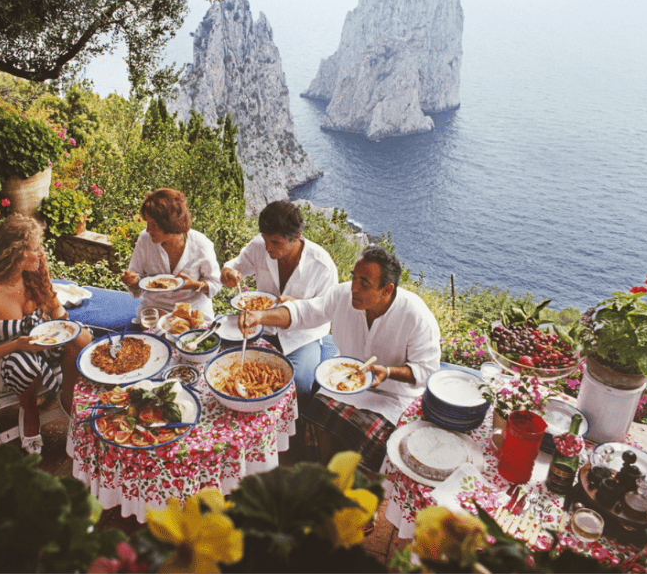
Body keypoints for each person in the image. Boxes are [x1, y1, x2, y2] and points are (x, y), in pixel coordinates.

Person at [238, 244, 440, 473]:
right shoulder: (342, 295)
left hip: (394, 397)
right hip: (346, 382)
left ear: (387, 290)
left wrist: (389, 372)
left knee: (378, 440)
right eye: (354, 279)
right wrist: (260, 316)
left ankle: (365, 484)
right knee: (316, 408)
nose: (354, 289)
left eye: (365, 284)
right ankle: (328, 472)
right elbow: (304, 312)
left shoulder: (416, 316)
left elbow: (428, 370)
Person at [0, 214, 92, 455]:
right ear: (15, 253)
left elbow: (58, 313)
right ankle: (30, 412)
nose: (42, 253)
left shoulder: (32, 275)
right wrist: (16, 345)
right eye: (36, 248)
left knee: (82, 337)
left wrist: (68, 329)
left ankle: (68, 400)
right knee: (24, 362)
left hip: (35, 346)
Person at [221, 199, 339, 399]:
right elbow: (237, 265)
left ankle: (293, 427)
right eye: (265, 240)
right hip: (263, 329)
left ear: (297, 236)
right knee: (235, 369)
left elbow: (323, 312)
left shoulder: (322, 266)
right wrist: (227, 272)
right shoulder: (260, 246)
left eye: (275, 242)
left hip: (302, 337)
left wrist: (294, 308)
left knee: (299, 384)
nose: (267, 248)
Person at [121, 188, 221, 320]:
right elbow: (137, 277)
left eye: (154, 225)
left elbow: (215, 284)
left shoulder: (201, 244)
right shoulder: (145, 239)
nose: (148, 229)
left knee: (188, 339)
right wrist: (132, 282)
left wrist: (193, 285)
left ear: (171, 224)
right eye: (147, 223)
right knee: (155, 338)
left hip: (192, 312)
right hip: (155, 310)